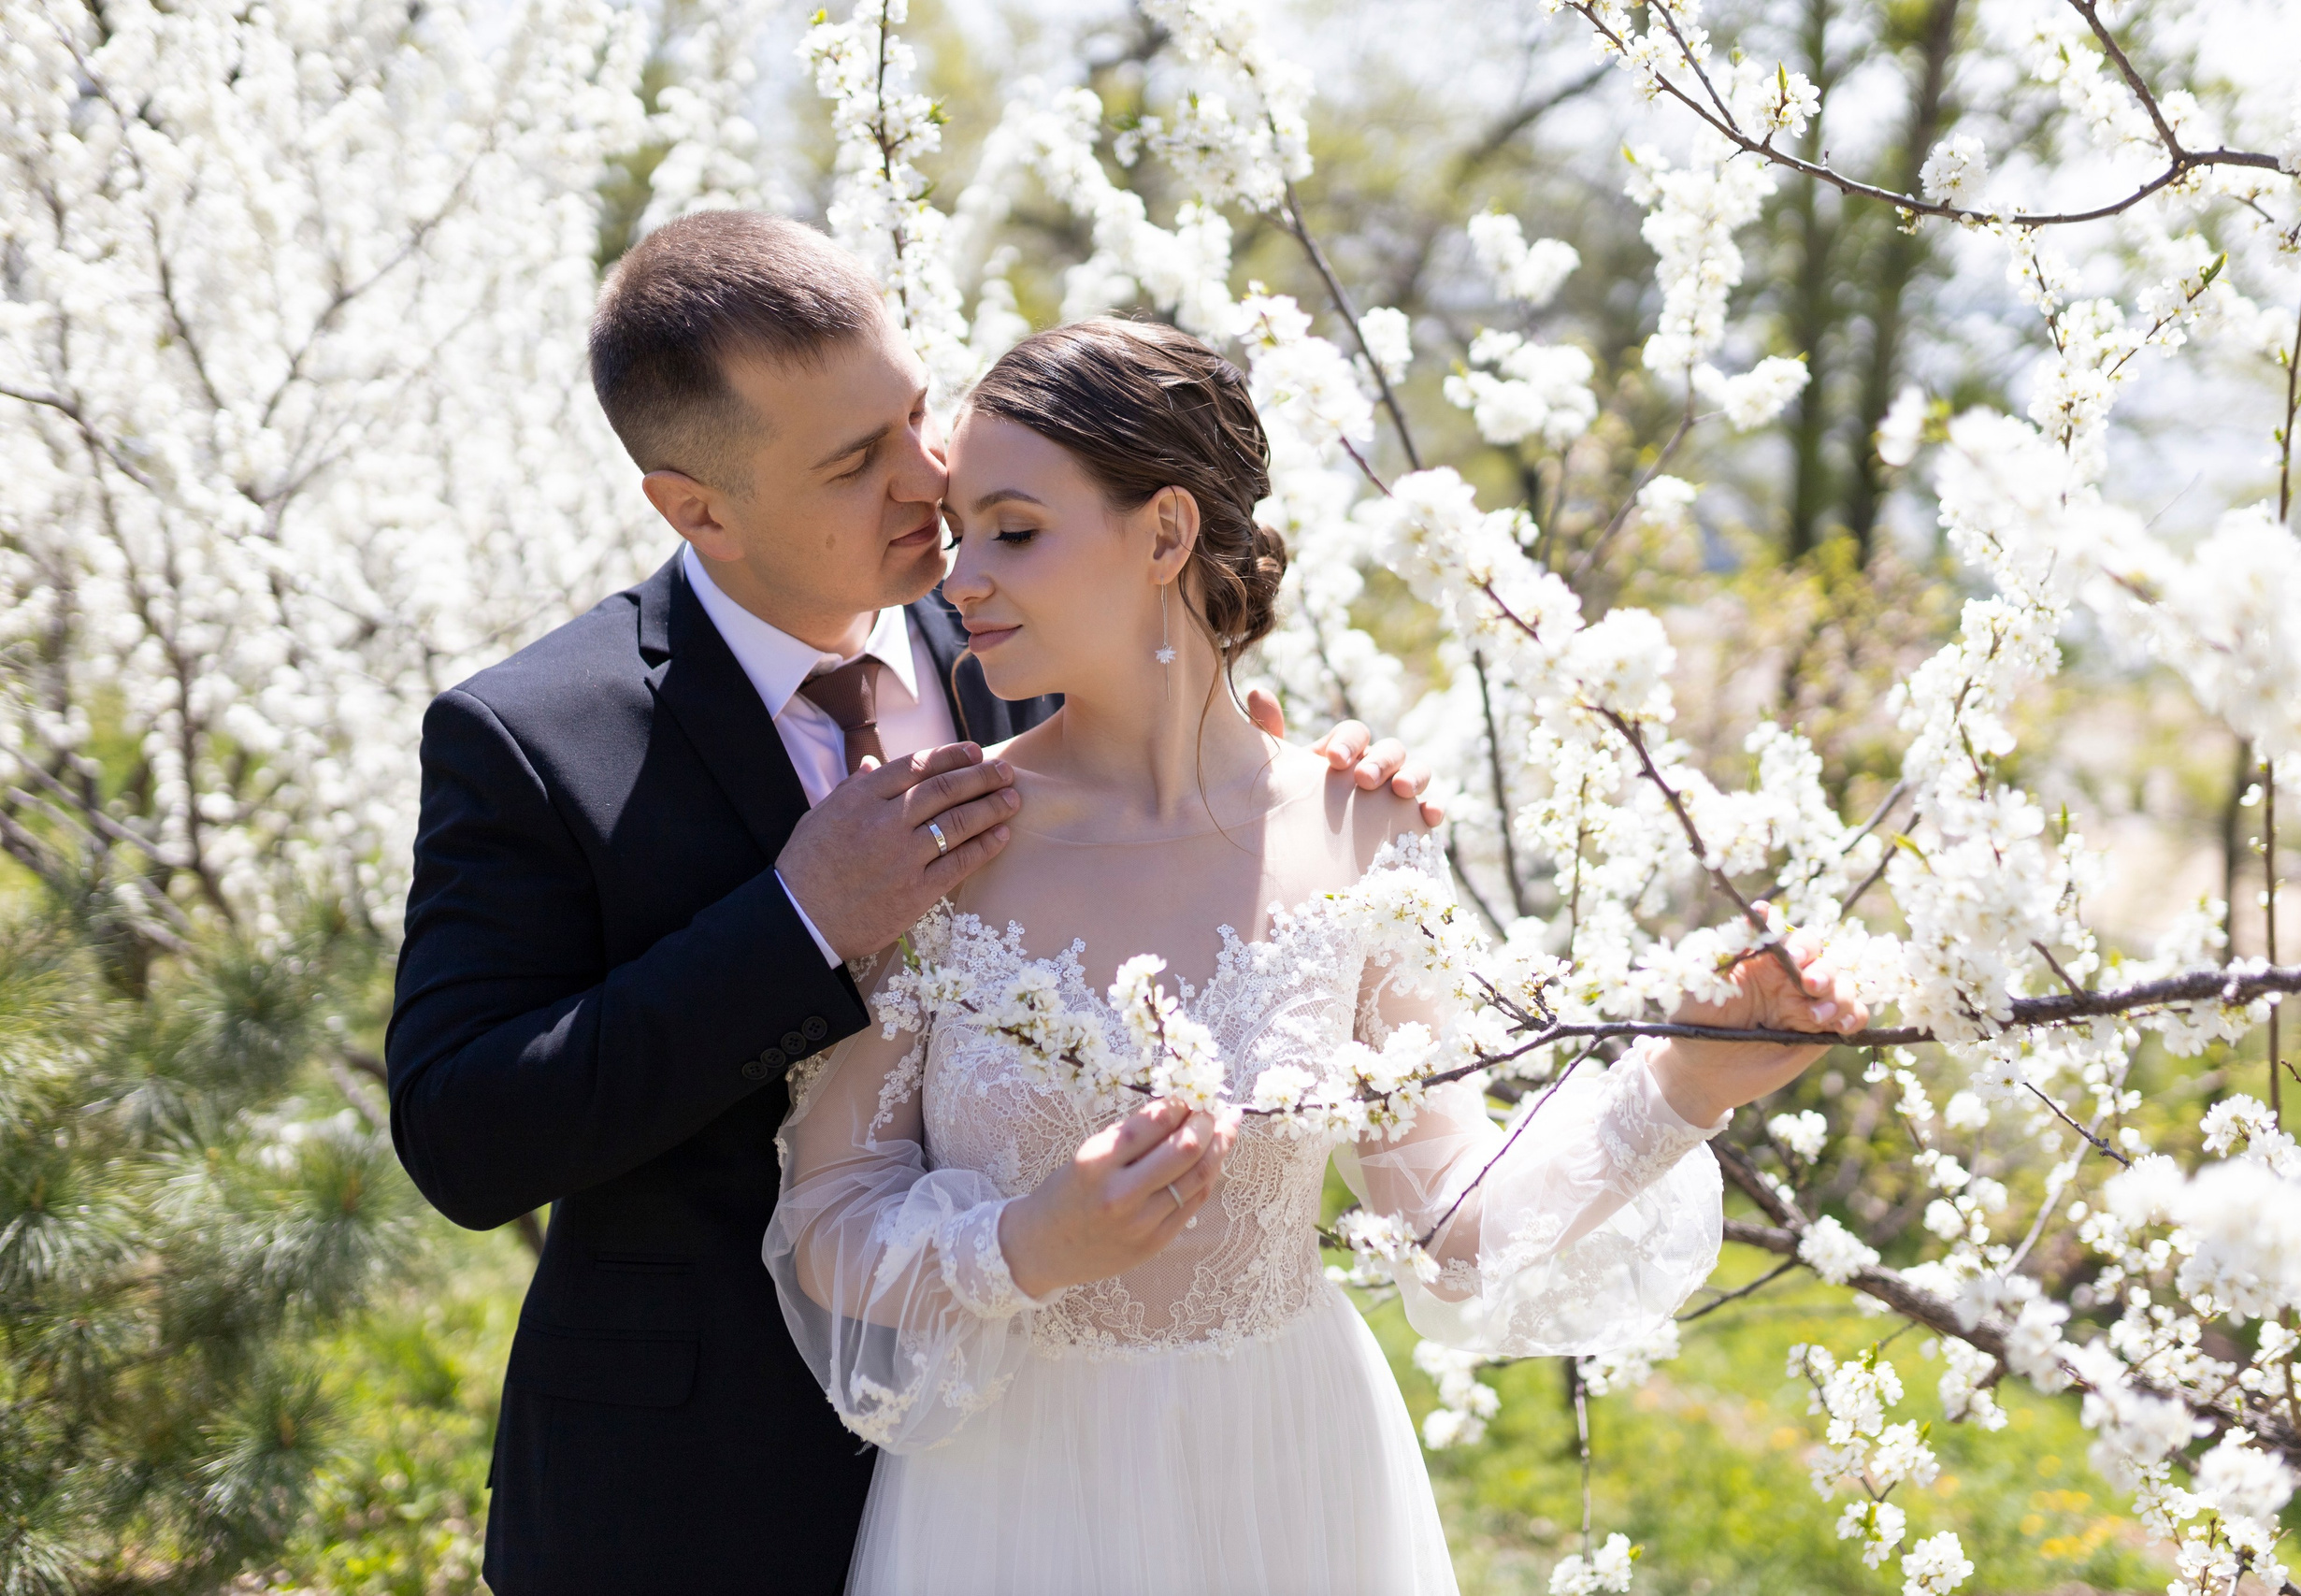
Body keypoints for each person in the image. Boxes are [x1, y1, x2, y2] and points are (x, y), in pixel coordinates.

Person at [383, 212, 1434, 1595]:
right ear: (697, 506)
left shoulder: (1018, 622)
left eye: (916, 414)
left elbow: (1189, 799)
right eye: (853, 459)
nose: (928, 476)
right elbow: (466, 1132)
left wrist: (1284, 783)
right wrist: (798, 922)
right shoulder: (539, 738)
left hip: (1064, 1487)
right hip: (700, 1494)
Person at [763, 318, 1871, 1595]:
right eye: (960, 538)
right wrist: (1026, 1246)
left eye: (1013, 531)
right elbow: (829, 1221)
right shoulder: (941, 844)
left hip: (1293, 1485)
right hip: (1017, 1504)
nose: (961, 581)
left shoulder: (1366, 827)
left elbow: (1450, 1227)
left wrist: (1687, 1080)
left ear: (1166, 532)